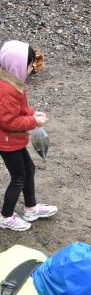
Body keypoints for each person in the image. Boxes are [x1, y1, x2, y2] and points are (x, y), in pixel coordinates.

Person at [0, 40, 57, 232]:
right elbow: (8, 121)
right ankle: (5, 216)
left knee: (29, 170)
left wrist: (32, 113)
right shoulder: (7, 90)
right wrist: (33, 122)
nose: (33, 67)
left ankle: (31, 208)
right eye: (30, 63)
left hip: (14, 139)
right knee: (19, 178)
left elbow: (20, 110)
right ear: (17, 65)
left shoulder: (13, 82)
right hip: (7, 142)